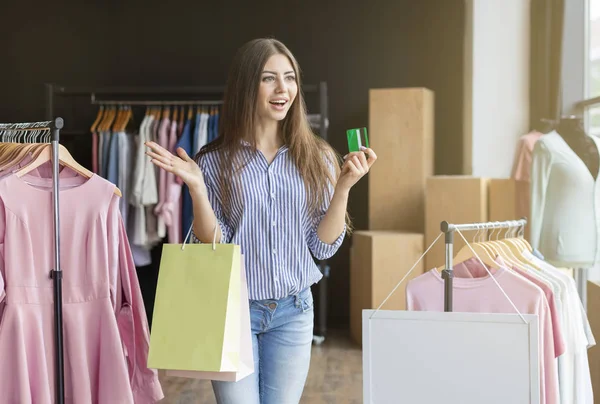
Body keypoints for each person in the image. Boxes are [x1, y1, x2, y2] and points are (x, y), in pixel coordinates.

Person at [145, 37, 377, 404]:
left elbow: (321, 245)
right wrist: (197, 190)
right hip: (232, 311)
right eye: (269, 78)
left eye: (289, 77)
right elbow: (212, 243)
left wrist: (344, 187)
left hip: (294, 311)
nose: (282, 88)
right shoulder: (214, 160)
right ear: (246, 85)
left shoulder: (318, 157)